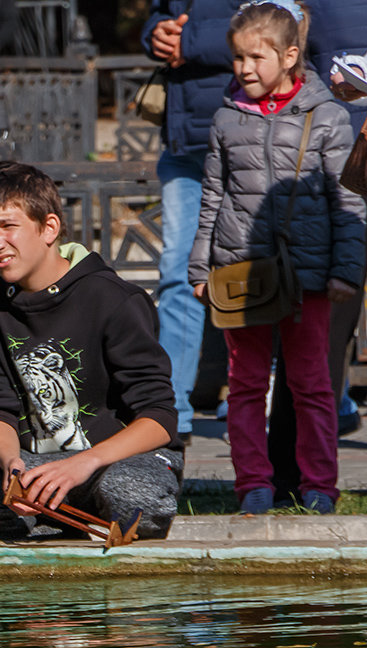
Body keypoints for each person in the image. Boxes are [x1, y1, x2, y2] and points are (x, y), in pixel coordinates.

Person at [0, 163, 183, 543]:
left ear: (49, 228)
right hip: (36, 464)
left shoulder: (115, 299)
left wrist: (83, 464)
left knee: (134, 497)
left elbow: (160, 418)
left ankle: (60, 516)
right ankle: (62, 517)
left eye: (8, 226)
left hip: (116, 460)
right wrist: (11, 465)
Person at [188, 0, 365, 514]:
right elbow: (213, 198)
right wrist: (201, 267)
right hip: (242, 273)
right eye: (238, 58)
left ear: (290, 56)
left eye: (255, 58)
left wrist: (345, 271)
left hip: (309, 276)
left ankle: (319, 487)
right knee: (243, 386)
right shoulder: (226, 119)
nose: (243, 69)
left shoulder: (329, 115)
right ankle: (253, 486)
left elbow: (348, 199)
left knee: (311, 385)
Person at [142, 0, 245, 446]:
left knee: (254, 274)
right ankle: (171, 410)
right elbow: (159, 13)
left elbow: (289, 25)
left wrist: (191, 41)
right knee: (177, 275)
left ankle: (250, 400)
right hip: (184, 142)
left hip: (250, 131)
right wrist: (155, 33)